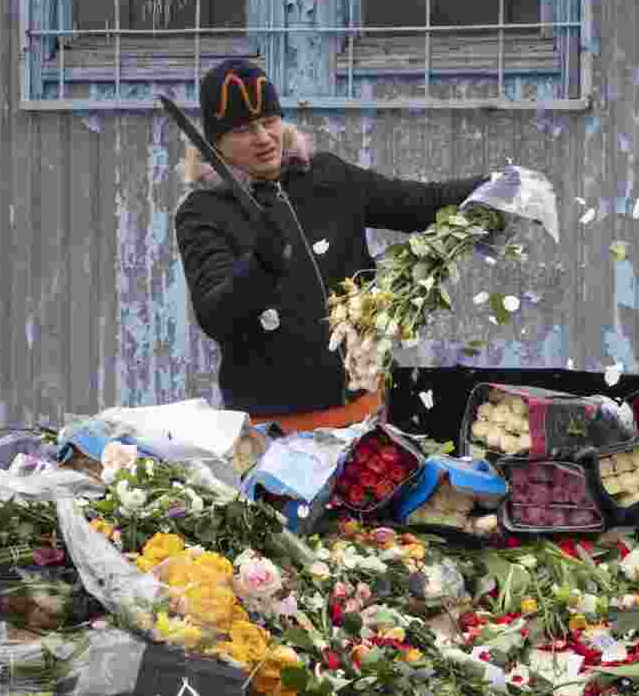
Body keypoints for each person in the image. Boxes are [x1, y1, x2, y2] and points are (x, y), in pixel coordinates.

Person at [175, 59, 487, 433]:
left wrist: (494, 188)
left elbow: (421, 203)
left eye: (269, 120)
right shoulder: (203, 212)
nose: (263, 137)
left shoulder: (328, 177)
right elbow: (215, 314)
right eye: (243, 129)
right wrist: (262, 264)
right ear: (216, 144)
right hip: (275, 428)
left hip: (365, 410)